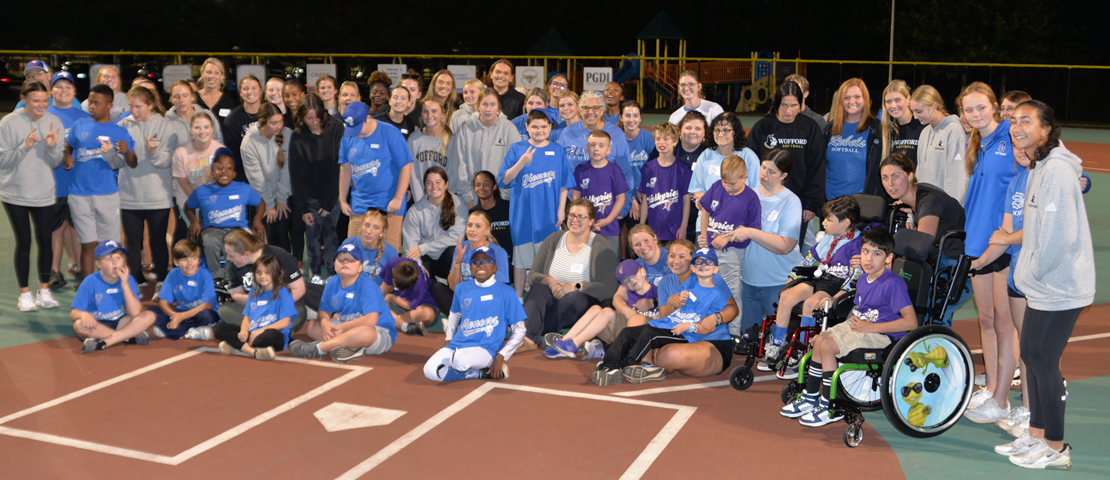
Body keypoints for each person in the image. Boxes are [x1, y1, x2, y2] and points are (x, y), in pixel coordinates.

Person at [997, 100, 1092, 470]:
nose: (1017, 127)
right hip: (1044, 284)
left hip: (1060, 285)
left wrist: (1031, 274)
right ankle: (1036, 435)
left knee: (1043, 360)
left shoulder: (1056, 171)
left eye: (1027, 121)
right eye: (1014, 121)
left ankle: (1055, 446)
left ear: (1046, 129)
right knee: (1032, 357)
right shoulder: (1040, 165)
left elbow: (1058, 237)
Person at [780, 228, 915, 427]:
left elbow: (911, 322)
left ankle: (829, 405)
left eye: (877, 254)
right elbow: (859, 312)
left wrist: (871, 328)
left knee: (827, 346)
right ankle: (810, 397)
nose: (869, 259)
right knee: (819, 340)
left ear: (889, 258)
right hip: (860, 326)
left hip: (882, 335)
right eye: (866, 252)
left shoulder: (893, 284)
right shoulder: (863, 278)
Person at [959, 82, 1017, 416]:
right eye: (969, 109)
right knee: (986, 318)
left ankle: (1002, 399)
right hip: (977, 242)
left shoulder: (1011, 134)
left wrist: (1081, 179)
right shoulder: (977, 142)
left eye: (981, 107)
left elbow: (1046, 154)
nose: (976, 114)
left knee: (1005, 323)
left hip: (1003, 245)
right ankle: (993, 385)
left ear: (994, 106)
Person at [590, 247, 728, 386]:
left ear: (716, 269)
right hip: (669, 324)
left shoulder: (718, 295)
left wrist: (688, 326)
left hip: (686, 333)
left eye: (708, 262)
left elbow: (708, 326)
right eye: (699, 262)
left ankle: (627, 365)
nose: (703, 265)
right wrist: (675, 299)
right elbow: (676, 304)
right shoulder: (689, 284)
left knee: (649, 334)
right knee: (628, 332)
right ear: (693, 267)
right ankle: (609, 365)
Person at [763, 195, 862, 372]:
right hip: (820, 278)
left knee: (811, 303)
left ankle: (801, 350)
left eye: (828, 219)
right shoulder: (828, 238)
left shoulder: (857, 245)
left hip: (837, 285)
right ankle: (777, 344)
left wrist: (838, 296)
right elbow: (808, 261)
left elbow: (855, 277)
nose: (823, 223)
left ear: (845, 222)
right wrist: (792, 277)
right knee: (786, 295)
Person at [878, 152, 966, 325]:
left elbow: (921, 244)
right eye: (885, 178)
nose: (890, 184)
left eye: (896, 177)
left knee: (931, 316)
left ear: (910, 176)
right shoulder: (915, 199)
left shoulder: (928, 201)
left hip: (954, 263)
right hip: (937, 259)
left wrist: (890, 253)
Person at [522, 199, 620, 348]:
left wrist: (577, 286)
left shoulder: (601, 246)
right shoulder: (553, 239)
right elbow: (533, 275)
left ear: (591, 221)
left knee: (575, 297)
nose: (575, 220)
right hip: (552, 296)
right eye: (572, 215)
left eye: (581, 216)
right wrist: (548, 280)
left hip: (581, 302)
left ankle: (529, 328)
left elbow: (610, 288)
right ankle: (528, 338)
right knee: (537, 288)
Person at [1, 81, 64, 310]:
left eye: (44, 100)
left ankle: (44, 290)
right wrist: (24, 146)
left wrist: (50, 147)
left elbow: (56, 162)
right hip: (14, 192)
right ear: (24, 99)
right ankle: (24, 295)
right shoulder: (8, 122)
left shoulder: (54, 122)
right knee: (24, 241)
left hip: (43, 192)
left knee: (45, 241)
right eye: (35, 100)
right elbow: (2, 160)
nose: (41, 105)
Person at [498, 110, 574, 299]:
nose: (539, 130)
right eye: (534, 127)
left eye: (543, 127)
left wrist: (561, 210)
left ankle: (548, 297)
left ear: (550, 128)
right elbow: (504, 180)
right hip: (522, 215)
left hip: (549, 215)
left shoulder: (557, 150)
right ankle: (518, 298)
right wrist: (521, 163)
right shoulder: (517, 148)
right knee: (521, 259)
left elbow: (565, 183)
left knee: (549, 259)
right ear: (527, 127)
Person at [64, 84, 135, 286]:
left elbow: (132, 162)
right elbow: (68, 144)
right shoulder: (80, 125)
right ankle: (88, 290)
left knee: (111, 247)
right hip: (78, 194)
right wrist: (67, 155)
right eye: (90, 102)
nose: (92, 106)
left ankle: (115, 287)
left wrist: (126, 150)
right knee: (87, 245)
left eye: (97, 103)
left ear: (109, 105)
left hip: (107, 194)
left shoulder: (118, 130)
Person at [424, 247, 525, 381]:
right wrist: (448, 340)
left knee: (458, 360)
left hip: (486, 349)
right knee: (429, 371)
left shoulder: (506, 292)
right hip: (458, 345)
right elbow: (454, 316)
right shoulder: (462, 288)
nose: (480, 265)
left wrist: (501, 356)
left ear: (495, 267)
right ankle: (479, 374)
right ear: (470, 267)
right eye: (475, 262)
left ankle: (475, 367)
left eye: (486, 262)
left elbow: (520, 329)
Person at [747, 81, 827, 248]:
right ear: (777, 103)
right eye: (784, 105)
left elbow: (817, 167)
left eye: (794, 105)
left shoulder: (810, 128)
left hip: (799, 203)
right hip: (766, 201)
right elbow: (750, 164)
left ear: (801, 104)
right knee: (766, 244)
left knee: (797, 248)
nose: (789, 111)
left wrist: (812, 204)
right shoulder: (763, 127)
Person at [289, 243, 395, 363]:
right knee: (311, 327)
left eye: (351, 260)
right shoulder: (332, 282)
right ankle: (351, 346)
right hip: (346, 326)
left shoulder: (367, 285)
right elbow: (324, 310)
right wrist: (324, 323)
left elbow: (371, 320)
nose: (345, 262)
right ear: (335, 265)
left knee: (365, 332)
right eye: (341, 260)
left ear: (360, 267)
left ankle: (318, 348)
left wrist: (341, 327)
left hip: (378, 332)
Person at [118, 85, 179, 290]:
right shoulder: (123, 124)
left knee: (158, 239)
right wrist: (113, 152)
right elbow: (117, 161)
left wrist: (152, 152)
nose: (134, 111)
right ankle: (135, 279)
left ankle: (161, 276)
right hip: (129, 194)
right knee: (133, 241)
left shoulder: (165, 126)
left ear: (150, 105)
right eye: (131, 106)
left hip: (158, 194)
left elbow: (167, 159)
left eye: (139, 107)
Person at [737, 149, 803, 332]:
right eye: (763, 168)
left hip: (777, 281)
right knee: (749, 337)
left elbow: (785, 246)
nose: (765, 174)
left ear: (784, 176)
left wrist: (751, 232)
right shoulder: (748, 194)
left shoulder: (791, 201)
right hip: (748, 279)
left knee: (774, 342)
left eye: (772, 171)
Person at [697, 154, 762, 332]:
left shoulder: (751, 198)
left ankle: (733, 332)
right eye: (724, 181)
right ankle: (706, 327)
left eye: (732, 183)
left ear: (744, 178)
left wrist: (728, 237)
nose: (727, 186)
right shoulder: (717, 187)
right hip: (709, 250)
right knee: (706, 289)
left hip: (731, 252)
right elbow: (705, 211)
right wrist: (704, 235)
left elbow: (752, 230)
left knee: (731, 292)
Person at [545, 258, 657, 360]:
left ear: (643, 272)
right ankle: (566, 341)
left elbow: (667, 314)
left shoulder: (658, 291)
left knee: (607, 311)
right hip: (626, 330)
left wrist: (650, 308)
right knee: (596, 309)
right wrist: (628, 312)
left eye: (633, 275)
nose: (631, 281)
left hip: (647, 333)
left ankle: (573, 344)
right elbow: (617, 299)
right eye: (626, 281)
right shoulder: (629, 292)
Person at [338, 101, 414, 252]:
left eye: (359, 128)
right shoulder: (348, 136)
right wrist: (342, 199)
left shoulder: (389, 133)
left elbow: (406, 165)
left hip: (389, 205)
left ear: (368, 118)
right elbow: (345, 168)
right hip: (360, 205)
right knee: (353, 252)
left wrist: (399, 198)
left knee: (389, 256)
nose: (356, 133)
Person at [219, 229, 320, 334]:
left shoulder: (279, 256)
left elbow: (299, 289)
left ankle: (255, 331)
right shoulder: (233, 265)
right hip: (255, 308)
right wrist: (257, 301)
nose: (228, 258)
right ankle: (269, 332)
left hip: (280, 306)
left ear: (246, 254)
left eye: (231, 255)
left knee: (298, 312)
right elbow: (236, 293)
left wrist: (272, 303)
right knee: (224, 310)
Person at [184, 151, 265, 281]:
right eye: (219, 168)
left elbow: (260, 203)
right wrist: (194, 221)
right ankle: (216, 278)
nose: (224, 171)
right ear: (212, 173)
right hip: (212, 228)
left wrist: (257, 219)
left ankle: (230, 278)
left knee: (235, 243)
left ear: (233, 174)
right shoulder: (202, 191)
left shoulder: (243, 188)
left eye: (228, 168)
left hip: (237, 228)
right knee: (210, 241)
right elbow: (188, 207)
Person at [290, 93, 344, 285]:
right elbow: (296, 174)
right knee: (312, 236)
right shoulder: (297, 137)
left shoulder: (337, 128)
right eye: (309, 118)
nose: (314, 122)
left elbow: (341, 166)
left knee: (331, 234)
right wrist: (303, 208)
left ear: (324, 114)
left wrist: (330, 201)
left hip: (333, 193)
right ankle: (315, 273)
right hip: (310, 196)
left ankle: (332, 273)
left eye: (317, 117)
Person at [558, 91, 635, 220]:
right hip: (575, 204)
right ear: (580, 110)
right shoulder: (567, 133)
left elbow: (625, 172)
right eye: (586, 107)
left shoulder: (616, 134)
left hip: (608, 206)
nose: (590, 111)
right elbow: (560, 171)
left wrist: (623, 207)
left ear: (603, 110)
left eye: (595, 107)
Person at [45, 72, 90, 289]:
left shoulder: (82, 116)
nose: (63, 90)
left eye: (68, 87)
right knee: (54, 229)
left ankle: (81, 270)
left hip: (77, 183)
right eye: (59, 86)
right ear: (51, 90)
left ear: (74, 91)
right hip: (51, 182)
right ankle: (55, 272)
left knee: (77, 228)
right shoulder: (44, 114)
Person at [71, 240, 155, 354]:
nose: (115, 262)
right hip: (97, 324)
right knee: (78, 326)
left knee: (149, 316)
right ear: (98, 264)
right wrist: (83, 314)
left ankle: (104, 342)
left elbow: (135, 313)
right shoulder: (89, 281)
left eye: (118, 258)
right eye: (109, 259)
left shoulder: (128, 280)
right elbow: (74, 313)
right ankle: (128, 336)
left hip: (121, 322)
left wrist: (125, 286)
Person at [213, 254, 296, 361]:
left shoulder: (284, 292)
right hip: (252, 333)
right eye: (258, 272)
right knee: (218, 328)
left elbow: (285, 322)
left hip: (271, 334)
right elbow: (247, 317)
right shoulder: (254, 290)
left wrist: (260, 331)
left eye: (268, 272)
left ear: (277, 273)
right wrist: (243, 330)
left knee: (271, 336)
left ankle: (237, 345)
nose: (262, 276)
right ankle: (252, 351)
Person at [689, 112, 759, 237]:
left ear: (735, 132)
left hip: (736, 226)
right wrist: (699, 196)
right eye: (717, 130)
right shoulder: (706, 155)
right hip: (707, 226)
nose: (720, 134)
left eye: (726, 130)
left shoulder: (748, 157)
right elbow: (697, 188)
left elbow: (757, 191)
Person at [449, 88, 521, 207]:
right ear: (478, 106)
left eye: (493, 105)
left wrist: (506, 195)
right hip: (472, 198)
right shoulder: (466, 128)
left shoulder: (509, 129)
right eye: (484, 104)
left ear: (498, 106)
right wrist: (466, 195)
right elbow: (459, 164)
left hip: (502, 199)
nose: (488, 109)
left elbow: (515, 165)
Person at [241, 101, 295, 253]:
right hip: (263, 198)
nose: (278, 126)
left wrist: (282, 199)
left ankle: (287, 271)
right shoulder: (248, 143)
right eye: (273, 123)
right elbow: (256, 178)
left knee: (283, 235)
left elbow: (287, 170)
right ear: (263, 123)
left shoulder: (287, 134)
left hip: (283, 194)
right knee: (269, 237)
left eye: (280, 121)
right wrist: (269, 204)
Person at [403, 166, 468, 287]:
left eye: (438, 182)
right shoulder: (414, 211)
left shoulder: (458, 204)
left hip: (447, 258)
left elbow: (456, 238)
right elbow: (411, 249)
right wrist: (420, 271)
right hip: (427, 259)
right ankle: (431, 284)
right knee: (414, 269)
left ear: (446, 184)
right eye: (429, 183)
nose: (434, 187)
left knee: (454, 250)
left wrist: (424, 248)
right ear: (424, 186)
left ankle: (452, 288)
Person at [824, 78, 882, 199]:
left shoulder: (876, 129)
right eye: (847, 98)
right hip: (830, 201)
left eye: (857, 97)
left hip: (861, 202)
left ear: (865, 99)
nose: (852, 101)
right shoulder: (831, 127)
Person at [910, 85, 969, 204]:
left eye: (919, 111)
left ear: (933, 106)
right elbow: (919, 175)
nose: (915, 116)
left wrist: (949, 211)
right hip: (926, 209)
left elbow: (957, 179)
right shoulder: (924, 132)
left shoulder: (954, 130)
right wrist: (914, 210)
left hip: (944, 212)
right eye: (913, 112)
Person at [153, 239, 219, 340]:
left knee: (207, 316)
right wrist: (174, 316)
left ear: (199, 259)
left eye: (193, 258)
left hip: (201, 312)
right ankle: (192, 331)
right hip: (182, 312)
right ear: (176, 262)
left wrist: (182, 317)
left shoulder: (204, 274)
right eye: (184, 259)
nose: (190, 263)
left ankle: (176, 330)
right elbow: (162, 302)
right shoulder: (173, 274)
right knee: (153, 312)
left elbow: (208, 305)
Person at [572, 130, 629, 249]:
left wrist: (608, 220)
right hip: (586, 227)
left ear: (608, 150)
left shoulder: (615, 170)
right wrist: (584, 220)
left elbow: (620, 199)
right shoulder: (580, 170)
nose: (596, 149)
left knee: (609, 262)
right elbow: (575, 198)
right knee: (587, 263)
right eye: (592, 145)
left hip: (610, 228)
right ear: (587, 148)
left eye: (601, 145)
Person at [639, 123, 692, 242]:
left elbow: (686, 200)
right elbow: (645, 200)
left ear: (675, 142)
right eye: (658, 138)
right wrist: (642, 225)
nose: (661, 142)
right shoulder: (647, 168)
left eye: (666, 138)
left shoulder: (683, 169)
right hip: (654, 232)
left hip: (676, 232)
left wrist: (683, 226)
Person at [620, 101, 655, 241]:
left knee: (643, 235)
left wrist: (643, 199)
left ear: (641, 118)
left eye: (635, 115)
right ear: (621, 117)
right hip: (623, 195)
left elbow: (654, 169)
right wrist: (631, 199)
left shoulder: (648, 138)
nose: (631, 120)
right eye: (627, 115)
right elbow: (616, 174)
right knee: (628, 235)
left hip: (645, 195)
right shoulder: (616, 139)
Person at [447, 210, 510, 289]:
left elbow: (499, 287)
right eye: (469, 225)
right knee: (438, 288)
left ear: (487, 230)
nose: (472, 229)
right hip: (465, 296)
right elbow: (453, 287)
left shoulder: (499, 252)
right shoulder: (461, 248)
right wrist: (457, 263)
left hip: (488, 296)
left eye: (478, 226)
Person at [408, 98, 452, 202]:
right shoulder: (413, 139)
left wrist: (446, 198)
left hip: (445, 199)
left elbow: (452, 174)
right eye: (425, 111)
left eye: (434, 111)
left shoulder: (451, 139)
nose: (429, 115)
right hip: (421, 199)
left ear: (442, 114)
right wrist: (421, 200)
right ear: (421, 114)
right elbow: (412, 174)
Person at [381, 256, 438, 336]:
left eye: (405, 288)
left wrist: (392, 297)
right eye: (396, 286)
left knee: (425, 313)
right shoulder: (392, 263)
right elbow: (386, 285)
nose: (401, 290)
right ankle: (407, 326)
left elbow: (410, 306)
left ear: (416, 279)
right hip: (400, 302)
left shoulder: (420, 284)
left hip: (422, 305)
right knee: (376, 305)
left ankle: (395, 321)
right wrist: (377, 299)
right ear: (393, 271)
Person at [340, 208, 398, 285]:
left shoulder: (391, 253)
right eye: (366, 225)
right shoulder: (348, 244)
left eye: (376, 228)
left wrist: (373, 296)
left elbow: (389, 285)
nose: (369, 231)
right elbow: (340, 274)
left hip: (377, 295)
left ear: (382, 232)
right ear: (361, 226)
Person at [223, 75, 263, 182]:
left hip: (269, 175)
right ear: (240, 93)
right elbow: (231, 152)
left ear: (260, 91)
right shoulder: (232, 119)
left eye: (254, 88)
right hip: (244, 177)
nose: (250, 91)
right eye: (245, 88)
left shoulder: (270, 113)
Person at [469, 171, 512, 268]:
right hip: (484, 263)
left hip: (509, 262)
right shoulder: (472, 214)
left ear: (494, 187)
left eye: (486, 184)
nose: (481, 188)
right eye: (478, 185)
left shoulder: (508, 207)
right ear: (475, 189)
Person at [166, 80, 224, 147]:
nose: (181, 100)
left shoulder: (207, 115)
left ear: (192, 97)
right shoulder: (166, 121)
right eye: (176, 96)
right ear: (171, 99)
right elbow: (166, 150)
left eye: (185, 96)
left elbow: (218, 142)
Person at [880, 80, 924, 166]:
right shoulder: (887, 130)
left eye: (897, 100)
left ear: (908, 99)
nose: (893, 106)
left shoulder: (922, 126)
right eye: (888, 101)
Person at [194, 58, 238, 129]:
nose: (212, 76)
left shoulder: (228, 102)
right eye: (208, 72)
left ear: (222, 76)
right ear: (202, 73)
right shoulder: (193, 99)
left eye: (216, 73)